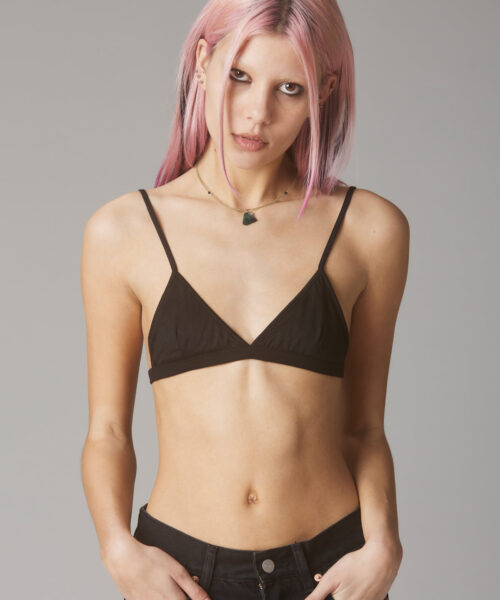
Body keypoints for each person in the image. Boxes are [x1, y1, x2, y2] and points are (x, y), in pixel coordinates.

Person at [80, 1, 408, 599]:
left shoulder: (369, 230)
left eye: (290, 88)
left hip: (331, 571)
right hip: (181, 575)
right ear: (203, 63)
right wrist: (118, 548)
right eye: (239, 76)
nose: (258, 113)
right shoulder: (124, 231)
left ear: (323, 91)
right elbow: (107, 431)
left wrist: (384, 544)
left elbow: (364, 430)